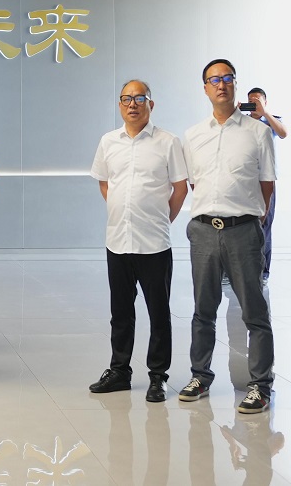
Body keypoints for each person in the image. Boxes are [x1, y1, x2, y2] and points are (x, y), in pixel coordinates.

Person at [178, 59, 276, 414]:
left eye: (227, 78)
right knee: (203, 310)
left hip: (243, 232)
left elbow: (267, 184)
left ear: (235, 84)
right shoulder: (193, 136)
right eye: (214, 79)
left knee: (255, 312)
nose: (221, 84)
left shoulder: (257, 132)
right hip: (204, 231)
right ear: (205, 88)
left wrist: (248, 219)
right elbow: (194, 183)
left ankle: (260, 385)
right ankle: (200, 376)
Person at [87, 80, 188, 402]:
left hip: (154, 243)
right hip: (117, 240)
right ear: (120, 105)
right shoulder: (108, 142)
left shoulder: (168, 142)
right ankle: (119, 371)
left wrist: (161, 218)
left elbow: (180, 188)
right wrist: (123, 212)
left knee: (158, 313)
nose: (132, 104)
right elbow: (105, 183)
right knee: (120, 312)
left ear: (150, 104)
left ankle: (158, 377)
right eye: (126, 99)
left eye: (139, 98)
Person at [245, 87, 287, 282]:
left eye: (257, 101)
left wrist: (265, 113)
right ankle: (234, 271)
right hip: (245, 180)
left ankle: (263, 272)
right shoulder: (241, 121)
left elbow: (283, 133)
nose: (254, 104)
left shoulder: (272, 120)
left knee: (265, 226)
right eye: (251, 101)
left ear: (265, 102)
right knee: (239, 226)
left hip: (267, 180)